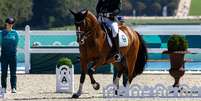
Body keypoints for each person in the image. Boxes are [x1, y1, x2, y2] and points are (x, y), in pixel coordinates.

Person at [0, 17, 19, 93]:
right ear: (6, 24)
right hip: (4, 55)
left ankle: (13, 88)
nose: (10, 25)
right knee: (4, 72)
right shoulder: (2, 33)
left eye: (11, 23)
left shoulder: (15, 33)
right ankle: (4, 87)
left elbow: (16, 43)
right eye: (8, 23)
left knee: (13, 73)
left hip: (13, 55)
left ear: (13, 24)